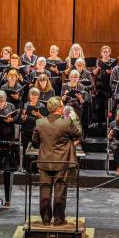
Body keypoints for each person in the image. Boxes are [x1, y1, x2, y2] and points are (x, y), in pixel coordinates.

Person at [32, 96, 82, 225]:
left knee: (44, 190)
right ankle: (59, 219)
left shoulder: (40, 122)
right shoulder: (65, 122)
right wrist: (74, 118)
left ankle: (46, 219)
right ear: (59, 109)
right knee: (60, 190)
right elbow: (78, 133)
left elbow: (35, 141)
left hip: (44, 161)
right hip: (62, 162)